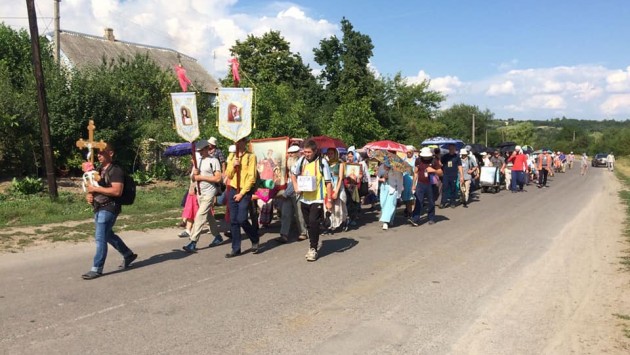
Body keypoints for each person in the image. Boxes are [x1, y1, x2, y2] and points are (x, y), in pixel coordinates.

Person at [82, 145, 137, 280]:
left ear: (110, 153)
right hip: (99, 206)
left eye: (102, 153)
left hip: (110, 207)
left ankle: (96, 268)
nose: (99, 156)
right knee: (107, 235)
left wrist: (96, 189)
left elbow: (116, 191)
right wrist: (90, 194)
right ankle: (128, 254)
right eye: (98, 154)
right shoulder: (99, 170)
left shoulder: (116, 170)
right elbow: (94, 187)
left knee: (100, 238)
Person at [291, 139, 333, 262]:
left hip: (317, 199)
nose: (307, 154)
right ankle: (312, 242)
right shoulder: (301, 160)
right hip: (304, 198)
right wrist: (296, 187)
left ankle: (313, 248)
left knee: (313, 221)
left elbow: (328, 183)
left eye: (309, 152)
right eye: (305, 152)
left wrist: (329, 200)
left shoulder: (322, 162)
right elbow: (293, 174)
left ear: (315, 151)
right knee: (309, 224)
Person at [182, 140, 224, 253]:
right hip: (199, 193)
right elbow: (193, 178)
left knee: (200, 215)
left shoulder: (214, 161)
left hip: (210, 192)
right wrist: (194, 174)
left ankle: (193, 241)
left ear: (207, 149)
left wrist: (201, 177)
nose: (200, 153)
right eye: (198, 151)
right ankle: (218, 236)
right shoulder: (197, 161)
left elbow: (218, 178)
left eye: (201, 150)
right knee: (209, 216)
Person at [224, 137, 259, 258]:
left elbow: (252, 177)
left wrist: (242, 193)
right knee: (233, 221)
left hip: (245, 191)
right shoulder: (232, 156)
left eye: (241, 141)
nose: (238, 144)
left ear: (245, 142)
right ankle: (236, 248)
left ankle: (254, 238)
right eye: (236, 141)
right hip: (233, 189)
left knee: (242, 219)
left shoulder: (251, 156)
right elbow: (228, 175)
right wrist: (233, 165)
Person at [276, 145, 307, 243]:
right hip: (288, 189)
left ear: (298, 153)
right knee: (286, 213)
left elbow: (297, 179)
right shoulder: (287, 163)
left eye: (292, 153)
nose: (290, 155)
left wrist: (286, 193)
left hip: (297, 190)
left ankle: (303, 232)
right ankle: (284, 234)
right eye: (289, 153)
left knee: (299, 213)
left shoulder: (302, 163)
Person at [409, 147, 442, 226]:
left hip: (431, 184)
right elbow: (416, 172)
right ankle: (415, 219)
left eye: (427, 157)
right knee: (419, 201)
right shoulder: (418, 160)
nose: (426, 158)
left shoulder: (434, 161)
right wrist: (413, 185)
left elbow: (441, 172)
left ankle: (431, 218)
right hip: (420, 183)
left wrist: (433, 170)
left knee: (431, 201)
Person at [325, 148, 348, 232]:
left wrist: (337, 190)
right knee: (329, 205)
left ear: (335, 154)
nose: (330, 155)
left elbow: (340, 177)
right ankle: (330, 223)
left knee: (338, 206)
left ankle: (342, 222)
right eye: (328, 153)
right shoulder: (326, 163)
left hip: (337, 185)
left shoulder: (340, 163)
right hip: (328, 186)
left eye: (331, 153)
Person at [378, 161, 403, 230]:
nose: (386, 167)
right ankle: (391, 219)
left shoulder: (397, 170)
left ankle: (385, 222)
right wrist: (383, 178)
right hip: (383, 188)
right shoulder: (381, 168)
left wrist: (399, 194)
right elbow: (377, 178)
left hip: (393, 189)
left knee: (390, 205)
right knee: (383, 204)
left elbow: (400, 182)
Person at [440, 144, 464, 208]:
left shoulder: (457, 157)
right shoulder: (445, 156)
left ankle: (452, 202)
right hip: (446, 175)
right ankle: (443, 202)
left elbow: (460, 166)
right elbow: (440, 164)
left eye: (453, 148)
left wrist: (461, 176)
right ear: (449, 148)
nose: (451, 149)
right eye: (450, 148)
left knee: (453, 189)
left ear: (455, 149)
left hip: (453, 175)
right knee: (444, 189)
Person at [402, 145, 416, 217]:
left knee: (413, 196)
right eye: (407, 152)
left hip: (414, 179)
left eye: (410, 152)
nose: (408, 153)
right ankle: (409, 211)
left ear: (413, 152)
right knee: (406, 197)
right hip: (405, 179)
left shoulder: (416, 159)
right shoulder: (403, 159)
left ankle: (413, 211)